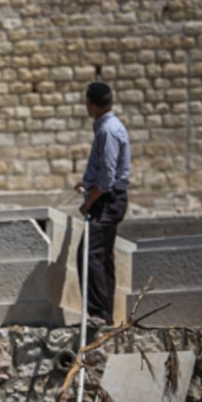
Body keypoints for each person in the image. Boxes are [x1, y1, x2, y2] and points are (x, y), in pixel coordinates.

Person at [75, 81, 131, 328]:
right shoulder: (110, 127)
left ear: (91, 104)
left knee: (89, 254)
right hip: (111, 199)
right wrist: (87, 183)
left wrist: (89, 202)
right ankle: (105, 313)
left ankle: (99, 314)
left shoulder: (107, 131)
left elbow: (108, 178)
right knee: (102, 256)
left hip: (106, 201)